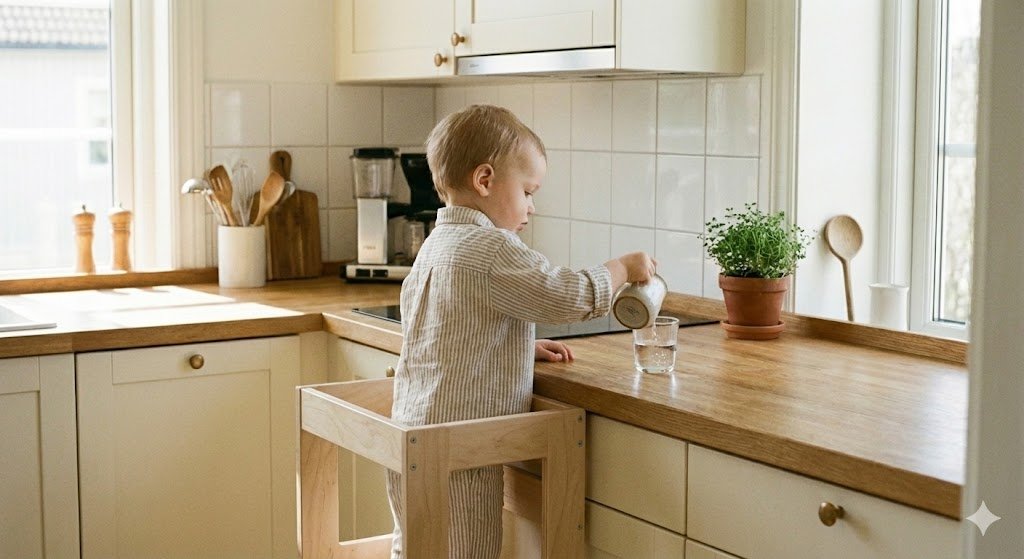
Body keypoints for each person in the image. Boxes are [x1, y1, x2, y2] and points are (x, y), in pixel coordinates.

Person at [386, 104, 656, 559]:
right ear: (485, 180)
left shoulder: (438, 243)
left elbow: (440, 329)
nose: (533, 206)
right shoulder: (492, 246)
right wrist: (622, 267)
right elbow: (565, 295)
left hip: (412, 439)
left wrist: (512, 345)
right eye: (528, 191)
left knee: (415, 550)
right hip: (461, 451)